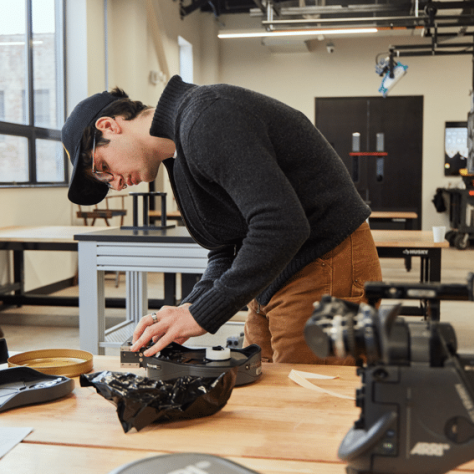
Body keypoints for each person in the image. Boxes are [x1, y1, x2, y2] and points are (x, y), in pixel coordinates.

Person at [62, 75, 382, 364]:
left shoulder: (207, 116)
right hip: (271, 277)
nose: (115, 183)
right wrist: (189, 307)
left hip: (325, 263)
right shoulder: (178, 155)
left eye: (102, 167)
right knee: (268, 398)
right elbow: (224, 249)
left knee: (311, 408)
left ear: (109, 126)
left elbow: (280, 224)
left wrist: (203, 314)